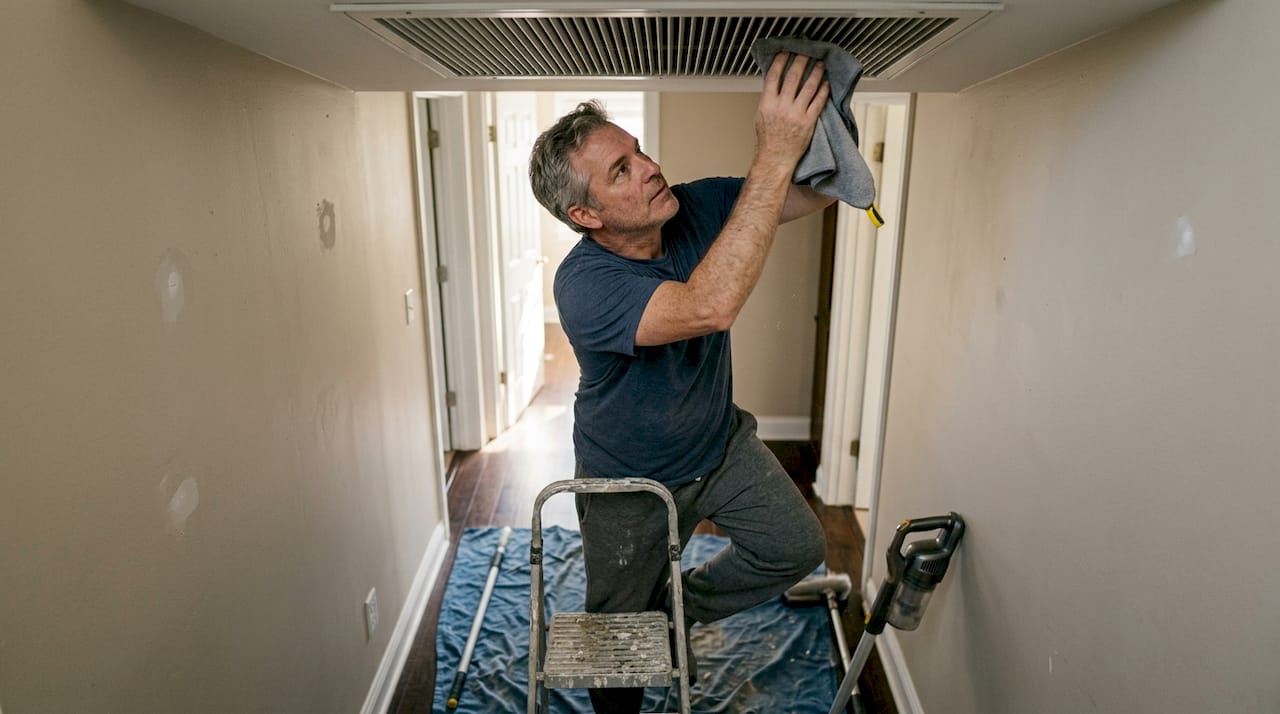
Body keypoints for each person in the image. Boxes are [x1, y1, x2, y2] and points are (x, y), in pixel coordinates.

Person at [527, 53, 833, 713]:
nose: (649, 167)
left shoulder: (695, 206)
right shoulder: (583, 286)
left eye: (637, 152)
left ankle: (674, 612)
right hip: (628, 480)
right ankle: (636, 645)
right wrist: (773, 154)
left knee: (797, 547)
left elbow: (812, 193)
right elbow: (707, 306)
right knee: (615, 643)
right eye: (621, 171)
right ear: (588, 216)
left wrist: (825, 121)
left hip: (718, 445)